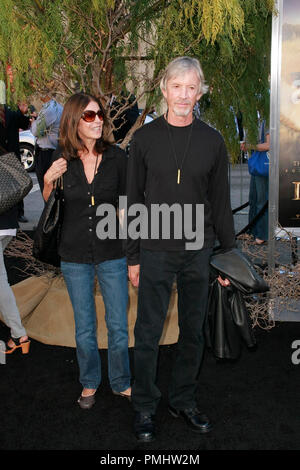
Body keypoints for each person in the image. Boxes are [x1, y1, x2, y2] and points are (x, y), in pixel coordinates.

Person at [126, 56, 235, 442]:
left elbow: (221, 203)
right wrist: (133, 256)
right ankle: (143, 406)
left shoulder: (213, 141)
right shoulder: (143, 140)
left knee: (193, 330)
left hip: (198, 249)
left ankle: (183, 399)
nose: (184, 95)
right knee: (148, 330)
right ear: (164, 89)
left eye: (192, 87)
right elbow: (134, 201)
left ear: (201, 90)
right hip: (154, 248)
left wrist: (227, 258)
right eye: (177, 86)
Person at [43, 93, 131, 409]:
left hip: (113, 254)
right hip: (74, 255)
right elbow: (51, 209)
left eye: (99, 114)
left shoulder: (118, 158)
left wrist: (134, 254)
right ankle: (90, 382)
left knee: (119, 325)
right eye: (89, 116)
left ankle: (121, 381)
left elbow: (127, 209)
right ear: (74, 121)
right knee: (84, 327)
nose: (97, 121)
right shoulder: (61, 159)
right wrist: (48, 181)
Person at [0, 146, 30, 354]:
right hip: (7, 223)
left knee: (0, 282)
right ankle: (18, 335)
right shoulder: (3, 151)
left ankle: (19, 334)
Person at [0, 102, 31, 223]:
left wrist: (23, 112)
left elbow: (24, 124)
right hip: (2, 153)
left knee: (16, 184)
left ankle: (19, 212)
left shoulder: (11, 110)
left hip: (11, 154)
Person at [240, 120, 270, 244]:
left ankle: (262, 235)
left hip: (263, 167)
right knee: (253, 200)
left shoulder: (267, 119)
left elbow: (269, 145)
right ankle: (252, 231)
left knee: (261, 202)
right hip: (258, 167)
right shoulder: (258, 118)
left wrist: (249, 146)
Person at [31, 95, 63, 195]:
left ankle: (49, 210)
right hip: (54, 151)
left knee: (47, 191)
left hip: (46, 153)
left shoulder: (49, 110)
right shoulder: (59, 107)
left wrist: (34, 122)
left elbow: (36, 131)